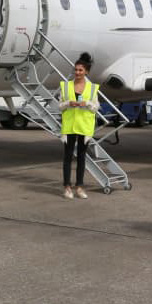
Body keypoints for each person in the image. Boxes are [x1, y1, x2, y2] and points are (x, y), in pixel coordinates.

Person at [58, 52, 99, 200]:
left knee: (82, 157)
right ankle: (67, 187)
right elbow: (60, 106)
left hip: (84, 127)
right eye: (76, 70)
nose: (77, 72)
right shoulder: (66, 86)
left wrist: (86, 103)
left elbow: (95, 107)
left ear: (86, 71)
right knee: (67, 157)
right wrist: (69, 103)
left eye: (80, 70)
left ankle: (80, 187)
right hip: (69, 126)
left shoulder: (93, 88)